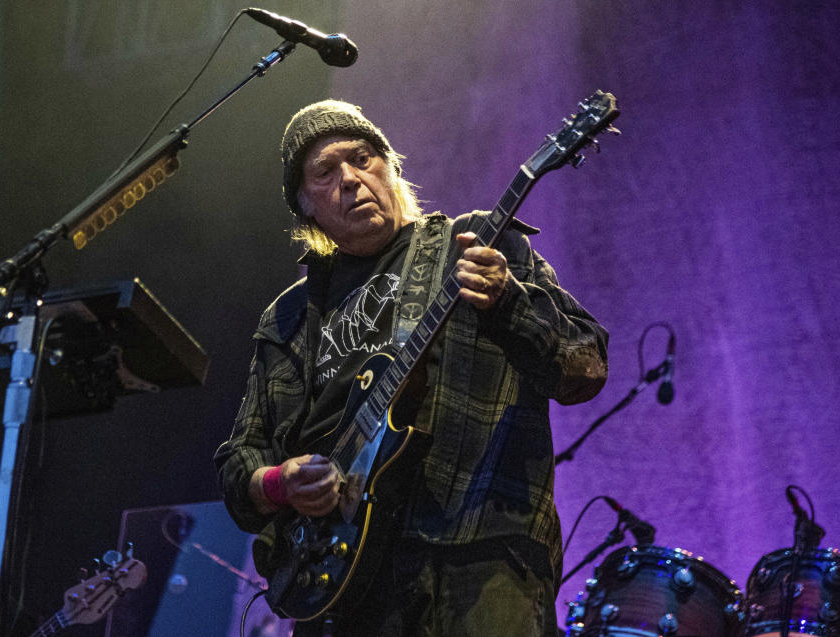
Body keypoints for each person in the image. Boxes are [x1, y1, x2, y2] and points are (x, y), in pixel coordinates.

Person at [214, 100, 609, 636]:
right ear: (305, 206)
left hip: (477, 558)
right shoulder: (287, 317)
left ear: (391, 167)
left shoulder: (475, 243)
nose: (351, 180)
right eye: (326, 173)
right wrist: (280, 484)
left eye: (363, 159)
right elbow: (242, 459)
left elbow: (585, 366)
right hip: (342, 583)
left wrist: (508, 301)